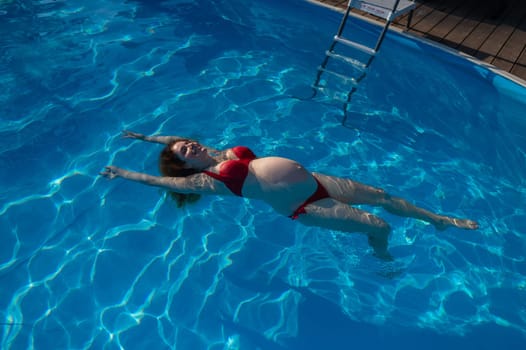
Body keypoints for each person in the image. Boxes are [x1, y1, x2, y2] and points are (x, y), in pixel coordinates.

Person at [101, 131, 479, 260]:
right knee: (379, 225)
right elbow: (159, 182)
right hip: (306, 205)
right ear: (187, 168)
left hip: (320, 181)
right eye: (184, 152)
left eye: (187, 143)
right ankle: (382, 255)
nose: (188, 145)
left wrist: (148, 137)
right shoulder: (208, 180)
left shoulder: (218, 152)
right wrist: (122, 172)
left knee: (381, 195)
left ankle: (439, 221)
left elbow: (173, 137)